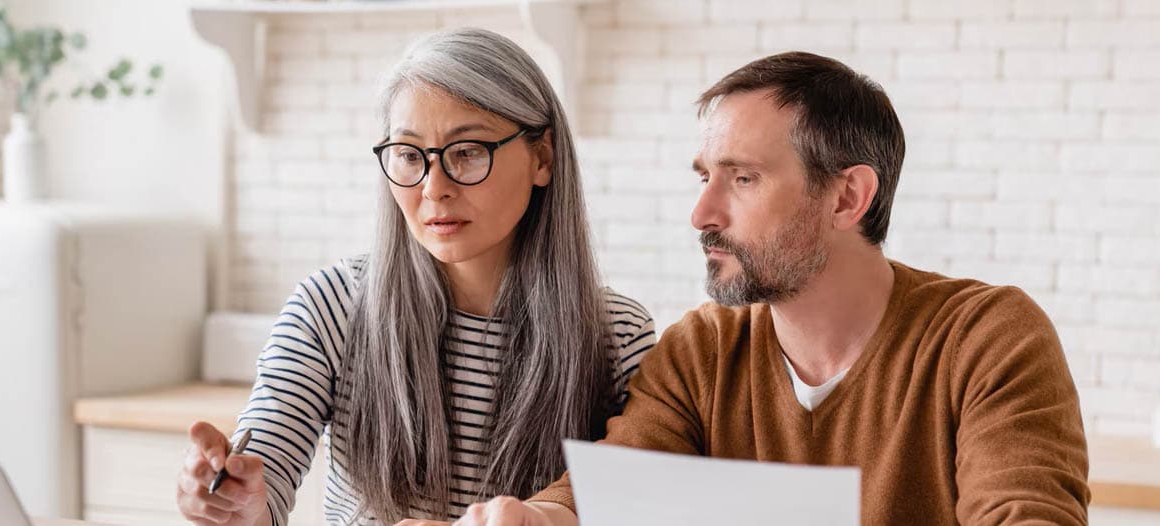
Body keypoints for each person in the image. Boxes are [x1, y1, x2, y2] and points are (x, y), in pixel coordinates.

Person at [452, 51, 1090, 525]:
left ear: (847, 197)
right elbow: (616, 485)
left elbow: (1029, 514)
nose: (702, 213)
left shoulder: (988, 338)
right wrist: (540, 518)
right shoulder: (702, 349)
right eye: (704, 176)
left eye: (744, 178)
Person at [174, 28, 655, 526]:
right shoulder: (332, 305)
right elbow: (263, 478)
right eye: (408, 155)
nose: (434, 188)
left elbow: (640, 506)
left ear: (543, 158)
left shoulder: (617, 335)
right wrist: (236, 501)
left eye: (467, 151)